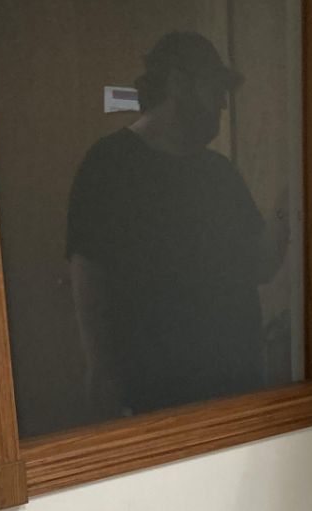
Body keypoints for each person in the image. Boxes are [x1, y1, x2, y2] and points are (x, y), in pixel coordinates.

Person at [67, 32, 289, 422]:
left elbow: (260, 265)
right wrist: (102, 376)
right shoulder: (109, 166)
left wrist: (290, 205)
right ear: (179, 82)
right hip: (155, 397)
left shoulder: (219, 174)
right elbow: (88, 278)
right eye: (215, 89)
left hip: (235, 391)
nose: (223, 104)